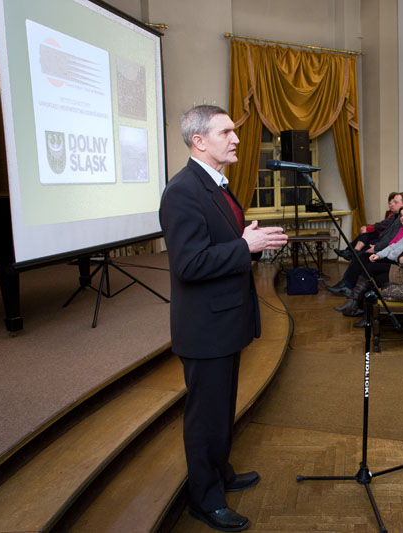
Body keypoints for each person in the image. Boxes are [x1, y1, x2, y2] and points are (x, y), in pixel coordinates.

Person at [159, 105, 288, 531]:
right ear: (199, 141)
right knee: (204, 416)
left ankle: (220, 473)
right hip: (205, 327)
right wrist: (245, 246)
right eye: (226, 132)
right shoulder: (182, 190)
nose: (236, 138)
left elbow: (222, 245)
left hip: (224, 322)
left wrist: (248, 241)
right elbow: (189, 264)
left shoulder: (216, 185)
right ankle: (204, 498)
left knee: (220, 410)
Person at [337, 210, 403, 325]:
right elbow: (401, 256)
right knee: (372, 274)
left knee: (371, 272)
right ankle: (360, 309)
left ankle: (360, 310)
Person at [333, 192, 403, 261]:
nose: (392, 205)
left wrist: (376, 246)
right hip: (382, 239)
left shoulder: (401, 218)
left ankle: (352, 253)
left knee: (365, 240)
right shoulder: (395, 214)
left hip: (384, 244)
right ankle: (351, 252)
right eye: (390, 203)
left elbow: (390, 237)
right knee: (365, 235)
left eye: (395, 202)